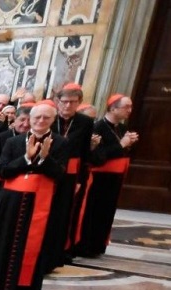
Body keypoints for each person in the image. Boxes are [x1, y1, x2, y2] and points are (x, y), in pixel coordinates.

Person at [0, 103, 68, 290]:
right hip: (10, 203)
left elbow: (60, 174)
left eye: (46, 118)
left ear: (53, 120)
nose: (40, 121)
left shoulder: (60, 143)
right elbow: (1, 170)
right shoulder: (13, 142)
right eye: (37, 117)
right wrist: (26, 158)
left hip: (40, 202)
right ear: (30, 118)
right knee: (3, 244)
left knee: (29, 248)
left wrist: (43, 159)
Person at [72, 94, 139, 257]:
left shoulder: (122, 128)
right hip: (99, 179)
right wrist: (121, 144)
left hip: (114, 179)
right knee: (93, 213)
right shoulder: (97, 127)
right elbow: (97, 157)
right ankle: (86, 247)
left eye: (131, 107)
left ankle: (98, 245)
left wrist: (128, 145)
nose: (129, 110)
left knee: (106, 213)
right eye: (126, 107)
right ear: (113, 108)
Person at [49, 84, 95, 267]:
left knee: (65, 212)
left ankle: (61, 250)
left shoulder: (85, 122)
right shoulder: (50, 119)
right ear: (58, 102)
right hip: (50, 169)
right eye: (64, 101)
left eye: (72, 102)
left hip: (71, 174)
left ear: (79, 103)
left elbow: (85, 154)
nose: (67, 106)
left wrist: (80, 180)